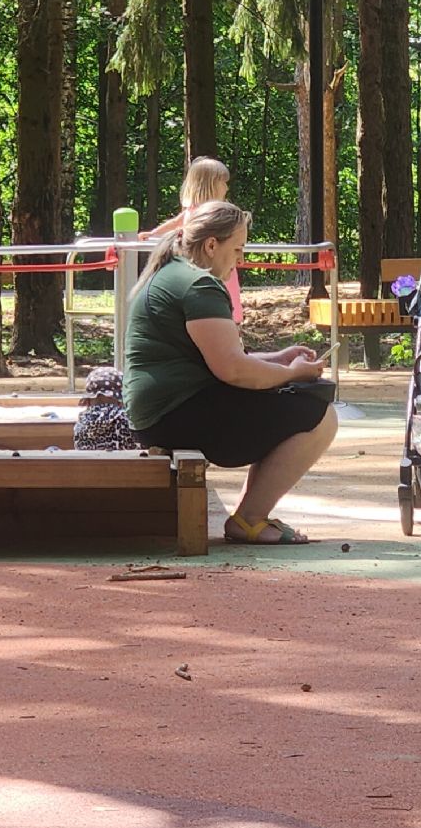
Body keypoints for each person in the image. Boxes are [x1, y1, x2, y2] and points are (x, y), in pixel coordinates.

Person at [122, 200, 337, 545]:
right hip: (174, 414)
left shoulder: (172, 271)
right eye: (236, 249)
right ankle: (249, 519)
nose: (238, 260)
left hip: (162, 412)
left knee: (289, 403)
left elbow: (221, 357)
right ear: (211, 245)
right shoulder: (199, 285)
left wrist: (279, 359)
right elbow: (233, 370)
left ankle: (249, 516)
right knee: (317, 413)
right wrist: (292, 374)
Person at [149, 157, 241, 320]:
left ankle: (230, 325)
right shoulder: (195, 210)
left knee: (224, 298)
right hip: (199, 266)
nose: (226, 187)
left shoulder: (219, 213)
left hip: (219, 265)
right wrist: (152, 234)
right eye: (222, 182)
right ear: (210, 184)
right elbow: (177, 222)